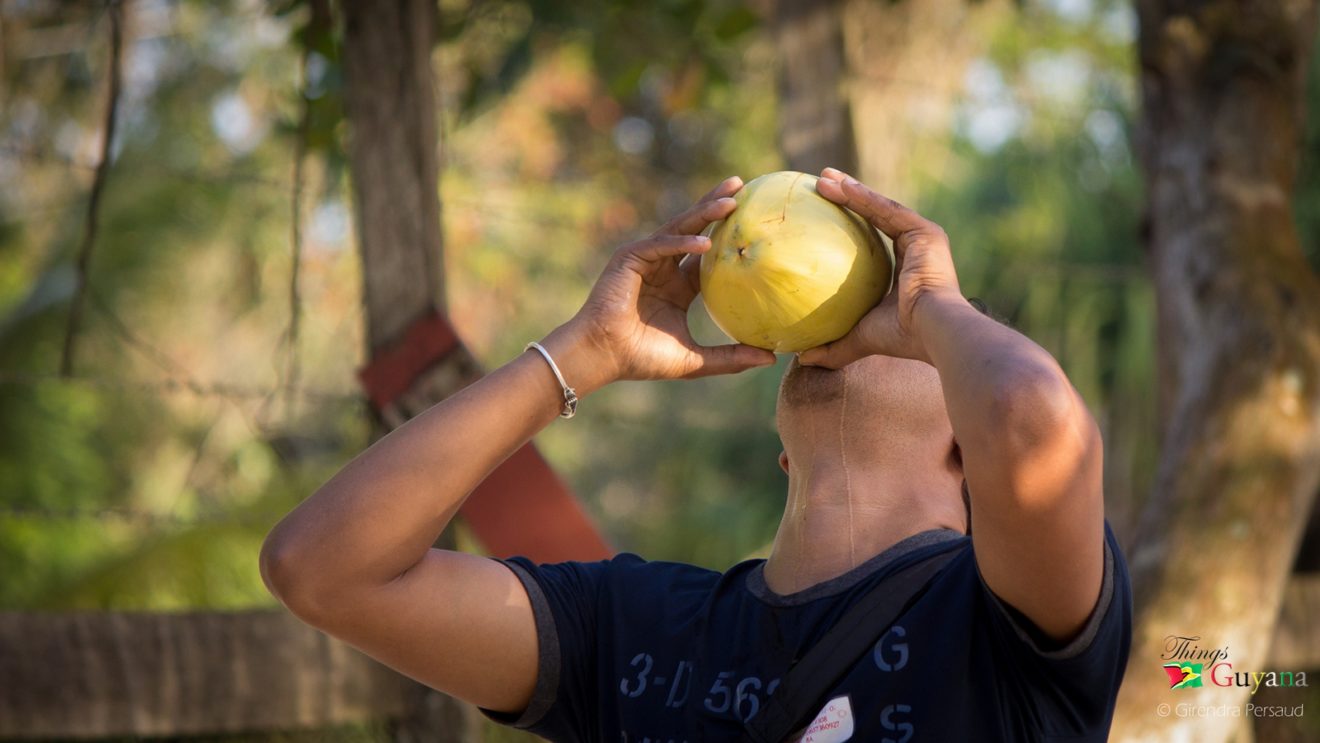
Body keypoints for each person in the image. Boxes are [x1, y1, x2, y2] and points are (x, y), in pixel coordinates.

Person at [261, 167, 1132, 742]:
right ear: (785, 454)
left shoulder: (1007, 623)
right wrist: (584, 352)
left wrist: (935, 307)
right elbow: (322, 569)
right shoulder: (632, 629)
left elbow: (1030, 417)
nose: (867, 328)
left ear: (965, 451)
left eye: (925, 353)